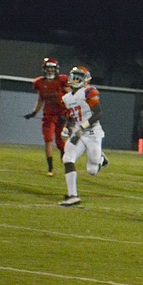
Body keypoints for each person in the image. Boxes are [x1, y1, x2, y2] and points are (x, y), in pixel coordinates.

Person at [58, 66, 107, 207]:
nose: (75, 80)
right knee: (67, 158)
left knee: (92, 171)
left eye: (79, 77)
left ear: (85, 80)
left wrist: (82, 127)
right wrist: (66, 129)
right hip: (78, 131)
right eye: (74, 76)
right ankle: (73, 196)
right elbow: (70, 117)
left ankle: (101, 159)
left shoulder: (89, 91)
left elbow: (98, 114)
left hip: (92, 133)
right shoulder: (66, 98)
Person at [25, 58, 69, 176]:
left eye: (52, 68)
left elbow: (70, 97)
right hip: (48, 115)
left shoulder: (62, 81)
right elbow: (40, 99)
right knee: (48, 139)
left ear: (56, 69)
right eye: (48, 68)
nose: (50, 70)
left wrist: (68, 113)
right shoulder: (40, 82)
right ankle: (50, 168)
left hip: (61, 115)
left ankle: (66, 165)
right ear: (44, 69)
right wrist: (34, 112)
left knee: (60, 143)